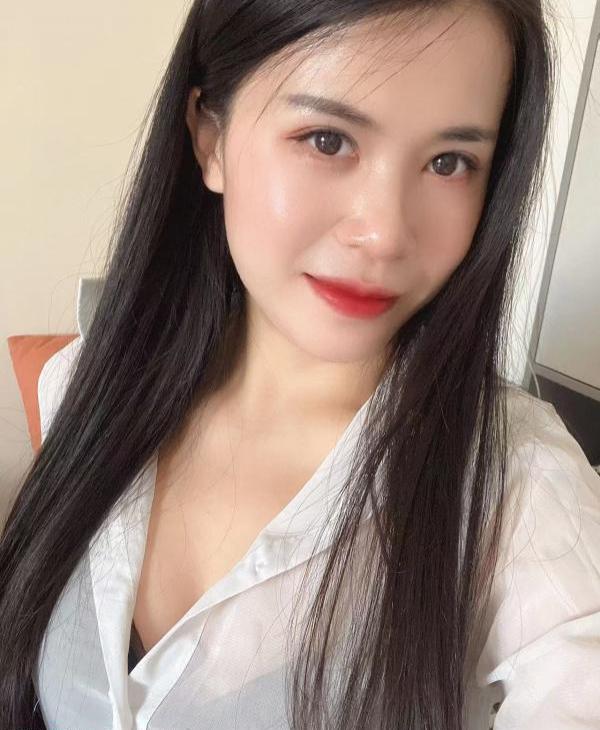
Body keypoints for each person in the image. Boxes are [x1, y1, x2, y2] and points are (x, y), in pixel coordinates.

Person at [1, 0, 599, 728]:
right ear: (210, 139)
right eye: (327, 140)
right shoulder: (84, 387)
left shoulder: (517, 485)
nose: (384, 232)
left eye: (449, 163)